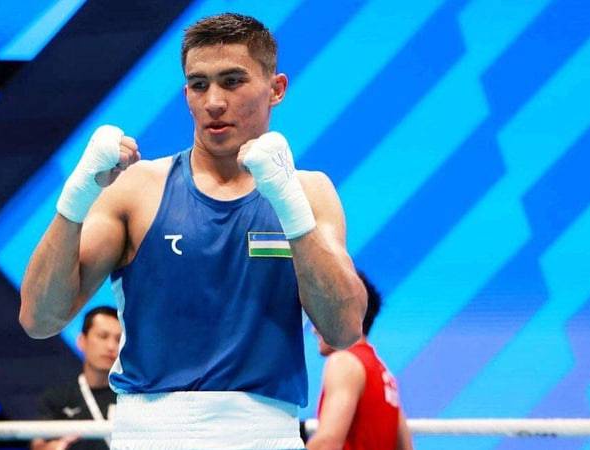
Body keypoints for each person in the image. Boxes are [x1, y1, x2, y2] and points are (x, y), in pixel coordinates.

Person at [20, 12, 367, 450]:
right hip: (151, 434)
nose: (214, 101)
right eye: (199, 84)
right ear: (186, 94)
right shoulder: (137, 189)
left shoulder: (310, 193)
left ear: (276, 89)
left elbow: (344, 329)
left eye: (233, 81)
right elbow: (39, 319)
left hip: (266, 435)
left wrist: (290, 207)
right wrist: (75, 199)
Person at [306, 273, 413, 450]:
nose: (314, 329)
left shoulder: (345, 362)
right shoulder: (384, 374)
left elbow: (327, 443)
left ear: (342, 312)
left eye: (322, 310)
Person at [32, 306, 121, 450]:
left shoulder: (132, 398)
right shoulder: (56, 398)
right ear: (82, 341)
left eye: (119, 339)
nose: (111, 346)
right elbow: (38, 445)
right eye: (103, 336)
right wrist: (58, 447)